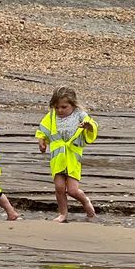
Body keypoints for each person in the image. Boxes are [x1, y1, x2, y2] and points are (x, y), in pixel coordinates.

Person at [36, 85, 99, 222]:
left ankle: (86, 201)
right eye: (57, 107)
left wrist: (88, 127)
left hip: (72, 156)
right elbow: (44, 128)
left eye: (64, 107)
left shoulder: (79, 115)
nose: (60, 110)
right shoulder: (52, 115)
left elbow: (92, 125)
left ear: (73, 104)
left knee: (72, 190)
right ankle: (63, 213)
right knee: (59, 187)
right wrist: (41, 139)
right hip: (57, 156)